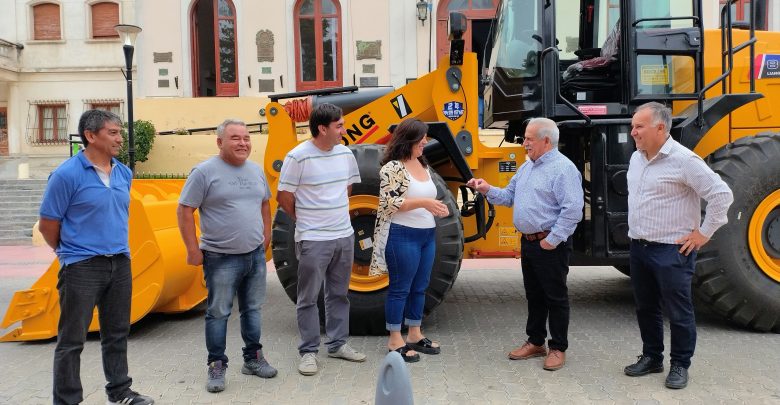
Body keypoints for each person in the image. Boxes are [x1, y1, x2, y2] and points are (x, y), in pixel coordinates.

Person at [39, 110, 154, 405]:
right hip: (81, 266)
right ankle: (67, 400)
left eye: (119, 132)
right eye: (113, 133)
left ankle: (120, 391)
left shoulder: (123, 173)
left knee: (117, 332)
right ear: (91, 136)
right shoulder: (66, 175)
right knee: (72, 339)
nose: (120, 138)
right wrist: (69, 253)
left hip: (120, 262)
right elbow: (48, 224)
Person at [623, 102, 733, 389]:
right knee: (646, 307)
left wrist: (703, 234)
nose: (633, 132)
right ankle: (652, 357)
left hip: (671, 250)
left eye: (639, 126)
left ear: (660, 128)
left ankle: (680, 364)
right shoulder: (636, 158)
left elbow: (722, 195)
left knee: (678, 311)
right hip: (639, 247)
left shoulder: (685, 160)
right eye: (633, 126)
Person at [467, 117, 583, 371]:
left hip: (549, 244)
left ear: (546, 141)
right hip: (529, 243)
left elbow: (573, 210)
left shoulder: (563, 169)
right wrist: (486, 189)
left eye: (529, 139)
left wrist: (551, 241)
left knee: (555, 297)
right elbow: (508, 197)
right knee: (534, 295)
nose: (524, 143)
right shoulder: (527, 167)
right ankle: (536, 342)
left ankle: (558, 348)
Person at [177, 119, 277, 393]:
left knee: (252, 309)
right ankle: (216, 365)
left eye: (246, 138)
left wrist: (266, 236)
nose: (243, 143)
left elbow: (264, 204)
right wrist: (192, 249)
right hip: (220, 258)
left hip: (254, 255)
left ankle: (253, 359)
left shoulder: (255, 171)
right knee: (219, 312)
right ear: (220, 142)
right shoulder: (204, 172)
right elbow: (184, 210)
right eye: (235, 138)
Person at [277, 103, 367, 376]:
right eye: (339, 126)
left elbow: (347, 188)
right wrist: (306, 218)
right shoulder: (298, 157)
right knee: (308, 297)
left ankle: (338, 344)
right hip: (313, 238)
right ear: (322, 129)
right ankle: (308, 352)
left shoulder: (345, 154)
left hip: (344, 236)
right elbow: (284, 197)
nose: (344, 130)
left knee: (339, 294)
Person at [368, 119, 449, 363]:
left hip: (426, 235)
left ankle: (414, 333)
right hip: (402, 234)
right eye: (422, 138)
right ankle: (395, 339)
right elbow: (389, 203)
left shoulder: (422, 163)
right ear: (409, 139)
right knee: (400, 288)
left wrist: (437, 207)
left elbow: (427, 196)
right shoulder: (393, 167)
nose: (425, 141)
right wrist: (425, 203)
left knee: (420, 286)